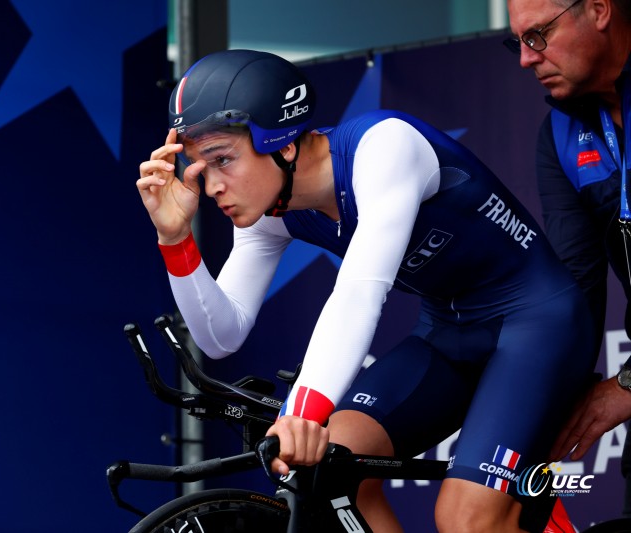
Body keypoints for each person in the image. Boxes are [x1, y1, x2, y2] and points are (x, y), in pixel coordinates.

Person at [137, 49, 594, 532]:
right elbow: (219, 335)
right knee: (332, 469)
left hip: (538, 326)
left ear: (284, 144)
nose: (211, 186)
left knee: (466, 520)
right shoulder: (269, 212)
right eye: (200, 166)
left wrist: (303, 414)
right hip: (448, 334)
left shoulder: (385, 147)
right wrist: (175, 238)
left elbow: (358, 293)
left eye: (223, 159)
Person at [505, 0, 631, 516]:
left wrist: (626, 384)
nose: (525, 59)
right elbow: (574, 289)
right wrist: (534, 401)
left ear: (599, 9)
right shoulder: (559, 133)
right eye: (517, 42)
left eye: (538, 35)